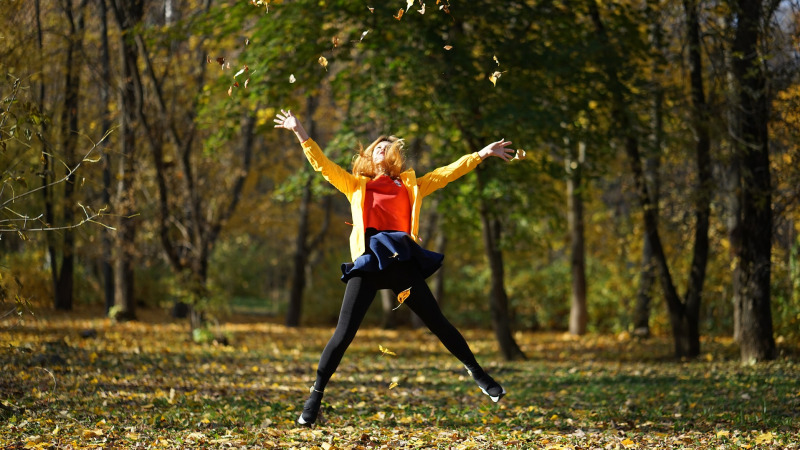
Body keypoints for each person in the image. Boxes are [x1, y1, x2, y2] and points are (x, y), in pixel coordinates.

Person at [274, 109, 515, 427]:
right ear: (370, 156)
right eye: (378, 146)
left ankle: (480, 376)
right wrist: (300, 131)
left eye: (388, 147)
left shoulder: (411, 186)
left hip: (401, 262)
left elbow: (448, 172)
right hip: (369, 263)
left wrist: (481, 154)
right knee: (343, 334)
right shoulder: (356, 186)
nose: (383, 149)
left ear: (395, 155)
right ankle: (314, 399)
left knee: (438, 323)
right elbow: (324, 166)